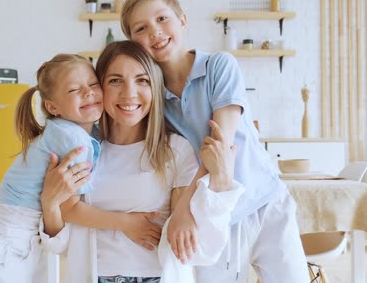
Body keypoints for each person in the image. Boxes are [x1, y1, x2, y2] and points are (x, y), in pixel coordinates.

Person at [119, 0, 309, 282]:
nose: (154, 32)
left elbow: (220, 146)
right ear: (133, 42)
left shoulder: (219, 65)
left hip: (264, 202)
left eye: (162, 19)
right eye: (141, 28)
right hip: (213, 216)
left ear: (182, 20)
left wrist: (182, 209)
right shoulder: (152, 97)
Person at [40, 41, 245, 283]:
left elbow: (196, 246)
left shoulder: (175, 150)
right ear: (99, 88)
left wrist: (219, 183)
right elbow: (59, 244)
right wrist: (49, 203)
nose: (129, 94)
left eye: (142, 80)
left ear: (155, 89)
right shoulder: (81, 150)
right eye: (115, 80)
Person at [0, 54, 103, 283]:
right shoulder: (72, 138)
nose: (88, 92)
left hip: (15, 236)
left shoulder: (68, 131)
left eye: (93, 84)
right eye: (74, 90)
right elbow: (78, 206)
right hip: (10, 241)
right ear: (52, 106)